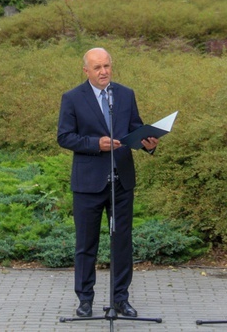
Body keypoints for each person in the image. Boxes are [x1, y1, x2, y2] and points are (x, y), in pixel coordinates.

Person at [57, 48, 158, 319]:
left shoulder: (125, 94)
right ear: (86, 71)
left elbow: (134, 129)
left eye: (107, 66)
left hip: (121, 181)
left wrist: (147, 143)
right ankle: (85, 299)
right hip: (88, 183)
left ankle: (120, 299)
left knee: (122, 242)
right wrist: (94, 144)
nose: (104, 72)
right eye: (98, 67)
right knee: (86, 244)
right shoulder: (72, 98)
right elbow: (64, 137)